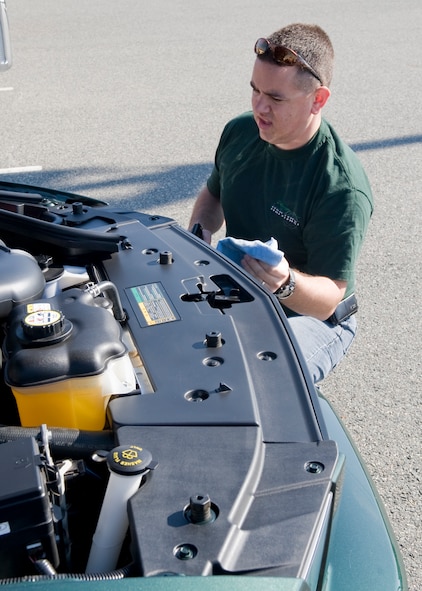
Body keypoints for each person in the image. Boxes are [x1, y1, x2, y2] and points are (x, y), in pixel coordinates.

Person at [188, 23, 374, 383]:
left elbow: (329, 299)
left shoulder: (341, 186)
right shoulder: (241, 131)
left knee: (268, 376)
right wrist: (200, 230)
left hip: (314, 317)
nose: (260, 107)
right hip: (246, 288)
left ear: (318, 99)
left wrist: (285, 283)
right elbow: (214, 194)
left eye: (275, 98)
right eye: (255, 90)